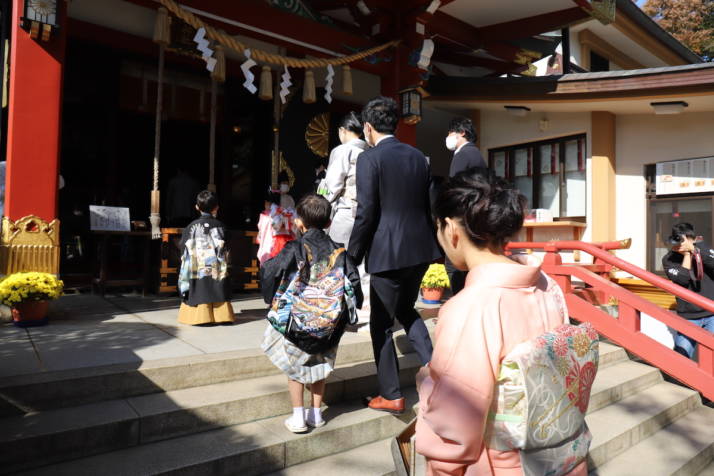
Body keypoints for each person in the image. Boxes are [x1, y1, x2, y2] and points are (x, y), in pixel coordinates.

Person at [415, 171, 587, 476]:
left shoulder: (471, 307)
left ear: (451, 228)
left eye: (438, 227)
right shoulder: (546, 285)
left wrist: (430, 386)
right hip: (561, 459)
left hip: (503, 465)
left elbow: (455, 432)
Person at [349, 96, 441, 414]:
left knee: (381, 323)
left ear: (368, 127)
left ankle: (390, 394)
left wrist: (352, 254)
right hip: (420, 248)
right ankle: (436, 369)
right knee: (406, 308)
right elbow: (430, 206)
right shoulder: (418, 157)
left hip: (388, 250)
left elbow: (366, 211)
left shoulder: (369, 159)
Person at [260, 194, 363, 433]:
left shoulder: (295, 247)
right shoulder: (339, 252)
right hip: (329, 322)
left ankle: (298, 416)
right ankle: (316, 414)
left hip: (297, 320)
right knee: (320, 364)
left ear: (298, 221)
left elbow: (271, 272)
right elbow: (354, 284)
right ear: (328, 223)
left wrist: (270, 298)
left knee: (294, 368)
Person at [324, 111, 371, 328]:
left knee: (338, 264)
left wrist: (321, 208)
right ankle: (365, 311)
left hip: (344, 214)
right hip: (366, 215)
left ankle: (337, 311)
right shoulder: (370, 151)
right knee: (363, 266)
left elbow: (331, 186)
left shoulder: (343, 150)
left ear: (343, 131)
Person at [177, 190, 235, 326]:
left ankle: (202, 316)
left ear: (197, 207)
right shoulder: (221, 226)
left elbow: (183, 250)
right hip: (218, 268)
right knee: (219, 281)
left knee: (198, 279)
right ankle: (222, 316)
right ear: (216, 208)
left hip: (198, 268)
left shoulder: (190, 227)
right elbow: (227, 247)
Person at [444, 117, 487, 295]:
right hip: (476, 217)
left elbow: (454, 189)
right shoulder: (476, 154)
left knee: (454, 264)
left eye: (450, 133)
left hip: (462, 218)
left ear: (462, 132)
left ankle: (459, 302)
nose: (448, 137)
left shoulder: (462, 154)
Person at [662, 222, 714, 359]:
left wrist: (695, 250)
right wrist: (686, 255)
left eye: (684, 239)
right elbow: (682, 280)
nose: (680, 243)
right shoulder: (668, 259)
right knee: (681, 356)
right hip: (688, 316)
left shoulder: (703, 249)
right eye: (677, 239)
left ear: (693, 238)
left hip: (711, 313)